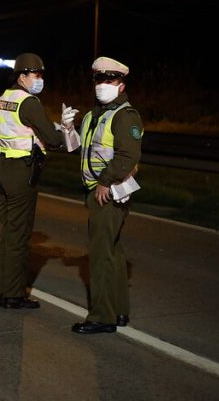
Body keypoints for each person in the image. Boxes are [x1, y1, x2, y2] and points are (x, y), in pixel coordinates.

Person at [61, 57, 143, 334]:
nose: (103, 84)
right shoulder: (93, 115)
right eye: (99, 79)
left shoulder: (125, 116)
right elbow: (78, 148)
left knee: (100, 255)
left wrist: (105, 182)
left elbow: (128, 155)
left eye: (110, 80)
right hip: (96, 190)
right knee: (112, 252)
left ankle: (102, 317)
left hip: (108, 193)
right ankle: (118, 311)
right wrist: (68, 129)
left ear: (121, 85)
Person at [0, 52, 65, 309]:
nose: (39, 79)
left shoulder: (3, 99)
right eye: (35, 74)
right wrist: (64, 129)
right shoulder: (29, 102)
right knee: (19, 235)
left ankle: (7, 291)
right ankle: (14, 295)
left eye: (41, 74)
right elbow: (52, 139)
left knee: (8, 234)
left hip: (4, 170)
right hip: (23, 172)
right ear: (21, 76)